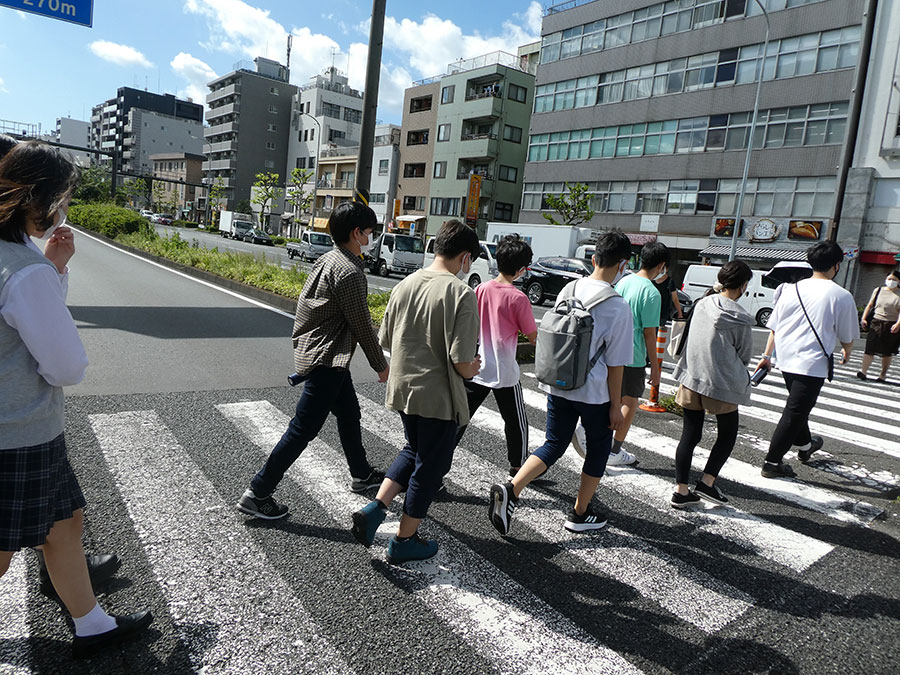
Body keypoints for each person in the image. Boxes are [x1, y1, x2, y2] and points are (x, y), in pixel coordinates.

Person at [0, 141, 152, 657]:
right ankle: (90, 624)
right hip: (18, 432)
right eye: (60, 196)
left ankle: (91, 624)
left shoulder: (21, 265)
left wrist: (55, 268)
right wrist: (52, 272)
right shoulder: (24, 270)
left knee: (66, 522)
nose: (63, 206)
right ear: (32, 199)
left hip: (18, 429)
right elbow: (64, 364)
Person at [237, 201, 389, 519]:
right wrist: (381, 364)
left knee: (349, 414)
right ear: (357, 233)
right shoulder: (350, 272)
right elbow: (362, 325)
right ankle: (258, 492)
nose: (372, 236)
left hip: (325, 354)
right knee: (302, 429)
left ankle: (361, 474)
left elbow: (306, 309)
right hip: (327, 359)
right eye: (370, 231)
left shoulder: (328, 259)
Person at [350, 220, 482, 564]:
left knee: (413, 450)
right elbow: (461, 360)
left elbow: (384, 339)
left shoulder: (405, 284)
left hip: (404, 388)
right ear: (465, 258)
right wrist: (475, 368)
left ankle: (377, 508)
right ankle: (405, 539)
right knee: (430, 467)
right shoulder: (461, 294)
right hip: (437, 395)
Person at [487, 231, 634, 535]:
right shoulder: (618, 306)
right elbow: (617, 363)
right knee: (597, 450)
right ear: (623, 264)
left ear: (594, 259)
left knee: (554, 443)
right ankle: (580, 513)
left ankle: (512, 489)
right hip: (594, 393)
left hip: (558, 382)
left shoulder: (570, 288)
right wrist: (616, 407)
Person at [757, 241, 860, 477]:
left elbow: (775, 327)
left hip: (785, 358)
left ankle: (805, 446)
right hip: (812, 364)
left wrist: (766, 356)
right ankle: (772, 463)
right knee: (795, 411)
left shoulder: (789, 289)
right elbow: (847, 335)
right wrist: (847, 350)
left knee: (797, 406)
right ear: (836, 265)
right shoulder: (841, 295)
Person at [670, 261, 754, 508]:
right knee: (727, 435)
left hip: (692, 377)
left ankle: (681, 490)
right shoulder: (740, 317)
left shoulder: (703, 302)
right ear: (743, 285)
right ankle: (707, 482)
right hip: (722, 383)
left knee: (690, 434)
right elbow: (744, 356)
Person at [453, 234, 537, 476]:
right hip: (504, 371)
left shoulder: (480, 289)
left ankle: (438, 462)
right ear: (521, 270)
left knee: (459, 419)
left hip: (476, 366)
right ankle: (519, 466)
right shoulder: (519, 298)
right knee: (515, 422)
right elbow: (532, 337)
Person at [857, 269, 900, 383]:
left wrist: (898, 324)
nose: (891, 281)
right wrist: (863, 318)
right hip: (876, 322)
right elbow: (870, 305)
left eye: (894, 280)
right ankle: (863, 371)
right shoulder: (878, 290)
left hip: (891, 324)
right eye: (889, 279)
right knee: (869, 349)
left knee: (886, 351)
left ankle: (882, 374)